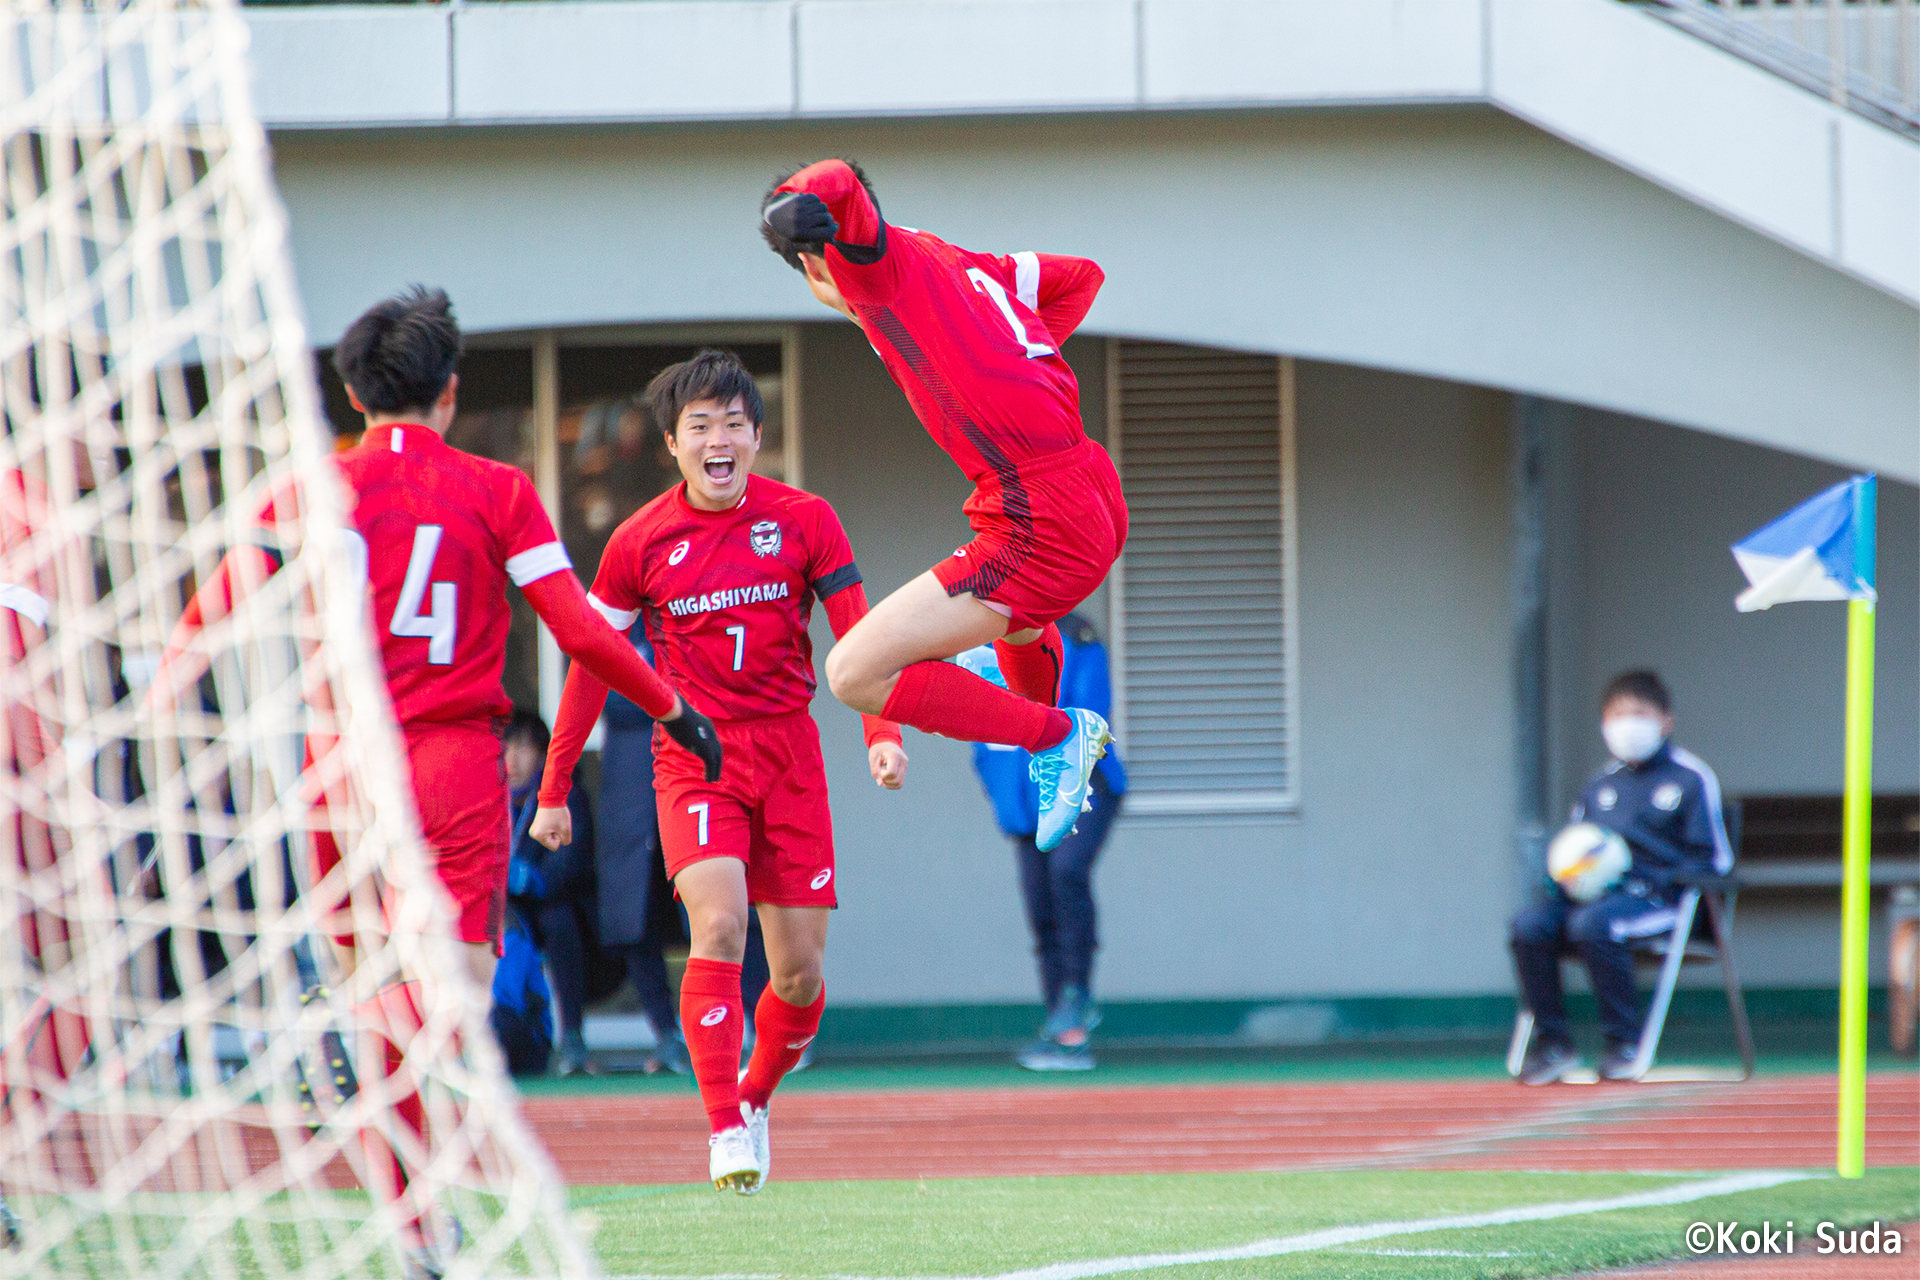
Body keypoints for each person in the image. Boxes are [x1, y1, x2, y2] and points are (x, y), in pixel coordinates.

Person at [151, 287, 718, 1279]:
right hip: (451, 766)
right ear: (451, 392)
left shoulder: (315, 484)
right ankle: (403, 1144)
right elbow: (581, 628)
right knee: (446, 1003)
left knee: (377, 997)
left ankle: (415, 1224)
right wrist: (673, 707)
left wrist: (163, 692)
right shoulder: (495, 489)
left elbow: (220, 603)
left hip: (338, 762)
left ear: (354, 393)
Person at [530, 349, 905, 1194]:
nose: (719, 440)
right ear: (672, 443)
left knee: (801, 974)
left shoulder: (807, 520)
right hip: (696, 755)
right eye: (700, 427)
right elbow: (591, 661)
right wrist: (554, 789)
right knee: (720, 926)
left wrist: (882, 730)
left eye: (735, 424)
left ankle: (757, 1095)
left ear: (758, 436)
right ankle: (723, 1126)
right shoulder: (638, 541)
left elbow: (859, 635)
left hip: (791, 755)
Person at [760, 159, 1125, 852]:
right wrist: (1025, 371)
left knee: (853, 673)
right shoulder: (960, 262)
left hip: (1040, 515)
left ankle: (1060, 737)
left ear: (814, 272)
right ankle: (1028, 706)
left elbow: (841, 183)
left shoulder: (874, 267)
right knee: (1021, 630)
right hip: (1085, 486)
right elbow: (1083, 275)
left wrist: (796, 203)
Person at [1510, 670, 1732, 1085]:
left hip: (1660, 900)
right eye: (1617, 716)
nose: (1627, 725)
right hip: (1592, 897)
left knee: (1595, 925)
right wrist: (1567, 876)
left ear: (1665, 721)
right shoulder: (1600, 784)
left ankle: (1623, 1044)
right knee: (1529, 926)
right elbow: (1575, 846)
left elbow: (1716, 859)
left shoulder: (1690, 777)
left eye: (1639, 713)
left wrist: (1666, 877)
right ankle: (1554, 1044)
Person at [963, 613, 1127, 1071]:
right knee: (1040, 906)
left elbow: (1087, 723)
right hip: (1022, 802)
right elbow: (979, 733)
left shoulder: (1077, 636)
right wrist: (1004, 795)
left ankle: (1077, 1002)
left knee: (1066, 873)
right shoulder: (979, 641)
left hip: (1083, 788)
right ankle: (1062, 1025)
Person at [593, 629, 692, 1075]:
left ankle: (745, 1028)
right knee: (635, 919)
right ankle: (666, 1034)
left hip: (691, 781)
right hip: (628, 802)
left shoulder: (685, 619)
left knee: (719, 914)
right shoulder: (614, 630)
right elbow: (609, 697)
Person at [502, 708, 596, 1075]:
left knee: (559, 919)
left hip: (550, 914)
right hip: (499, 915)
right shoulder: (486, 795)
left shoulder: (563, 795)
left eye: (524, 748)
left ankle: (571, 1037)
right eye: (506, 747)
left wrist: (525, 880)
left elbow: (568, 868)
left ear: (543, 754)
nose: (513, 759)